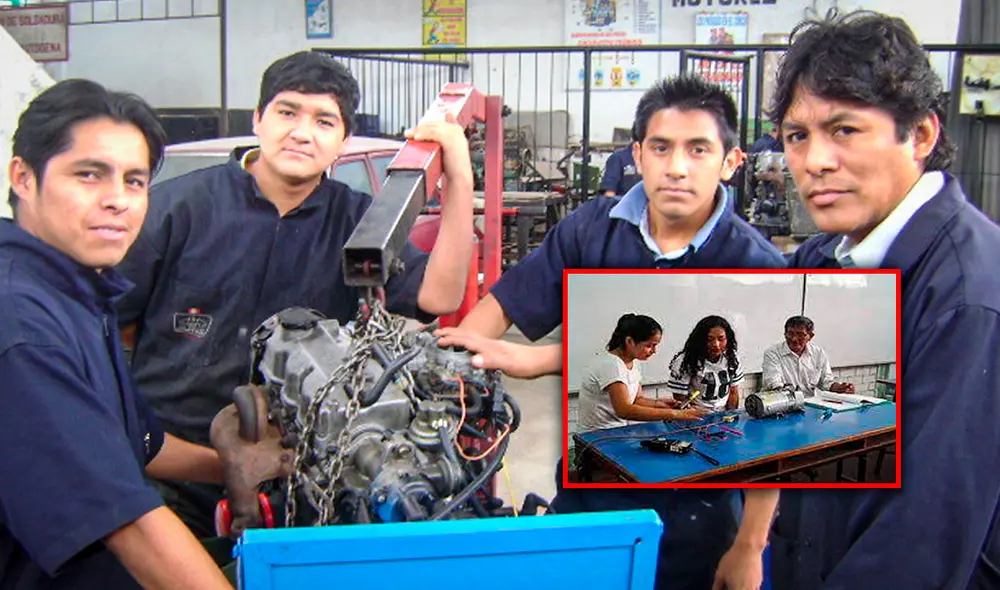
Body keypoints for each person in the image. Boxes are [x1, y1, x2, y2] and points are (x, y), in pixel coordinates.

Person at [439, 75, 787, 590]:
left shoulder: (756, 265)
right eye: (661, 147)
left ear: (730, 162)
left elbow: (772, 434)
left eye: (698, 149)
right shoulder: (591, 228)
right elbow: (502, 307)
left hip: (698, 514)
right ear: (637, 154)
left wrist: (749, 546)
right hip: (590, 492)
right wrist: (455, 384)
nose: (677, 166)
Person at [115, 50, 475, 539]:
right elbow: (103, 328)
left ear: (342, 140)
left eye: (324, 121)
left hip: (303, 485)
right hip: (169, 477)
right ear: (258, 120)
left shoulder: (362, 225)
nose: (302, 132)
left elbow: (439, 296)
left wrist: (460, 179)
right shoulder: (176, 211)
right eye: (287, 113)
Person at [768, 10, 1000, 589]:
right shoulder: (824, 262)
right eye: (798, 136)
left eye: (844, 130)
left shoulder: (968, 295)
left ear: (921, 134)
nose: (815, 161)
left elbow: (921, 537)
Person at [0, 79, 236, 589]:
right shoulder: (21, 326)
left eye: (134, 181)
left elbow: (139, 444)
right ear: (22, 177)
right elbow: (128, 526)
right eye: (89, 175)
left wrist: (233, 469)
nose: (117, 201)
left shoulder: (80, 289)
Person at [577, 314, 707, 432]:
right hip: (595, 436)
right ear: (629, 341)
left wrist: (661, 404)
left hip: (616, 431)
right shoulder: (610, 365)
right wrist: (674, 414)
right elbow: (624, 410)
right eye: (649, 345)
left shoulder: (633, 362)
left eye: (655, 345)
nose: (654, 351)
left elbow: (637, 400)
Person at [760, 316, 854, 396]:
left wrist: (839, 388)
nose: (794, 339)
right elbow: (773, 382)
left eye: (801, 335)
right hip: (779, 404)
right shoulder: (773, 353)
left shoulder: (819, 354)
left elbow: (826, 382)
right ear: (785, 334)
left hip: (809, 406)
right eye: (790, 333)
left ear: (810, 336)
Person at [667, 315, 744, 411]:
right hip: (696, 415)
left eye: (721, 339)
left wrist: (730, 416)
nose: (716, 344)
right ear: (700, 340)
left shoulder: (732, 358)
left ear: (728, 339)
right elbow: (679, 398)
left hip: (722, 414)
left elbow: (733, 392)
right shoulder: (685, 361)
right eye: (709, 339)